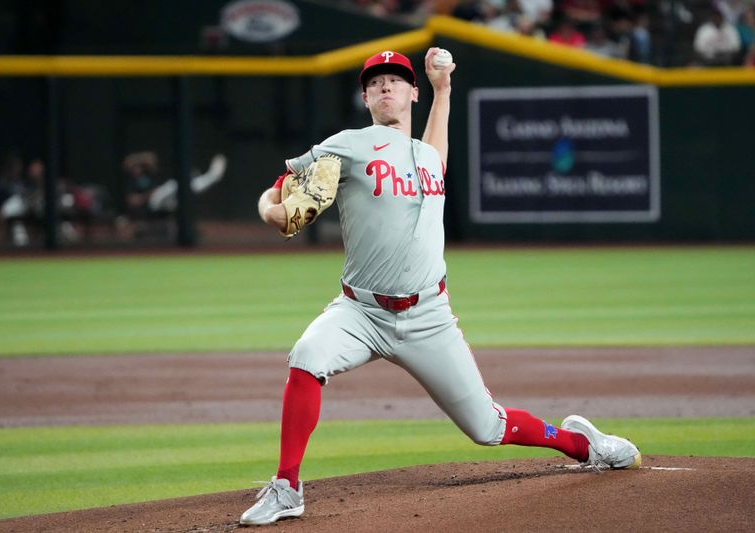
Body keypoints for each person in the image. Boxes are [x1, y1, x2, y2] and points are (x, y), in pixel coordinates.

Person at [240, 48, 642, 526]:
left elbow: (435, 150)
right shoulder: (347, 144)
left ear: (412, 92)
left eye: (395, 80)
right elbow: (283, 183)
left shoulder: (428, 157)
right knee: (307, 357)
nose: (385, 86)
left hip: (428, 315)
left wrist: (443, 89)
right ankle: (287, 487)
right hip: (360, 312)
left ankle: (582, 443)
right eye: (376, 82)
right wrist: (270, 207)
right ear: (365, 96)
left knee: (487, 427)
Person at [117, 151, 227, 238]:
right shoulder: (130, 182)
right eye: (135, 167)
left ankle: (206, 178)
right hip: (153, 203)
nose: (137, 169)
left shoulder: (147, 174)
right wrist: (147, 195)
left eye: (138, 166)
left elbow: (151, 157)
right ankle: (210, 177)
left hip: (165, 202)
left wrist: (138, 160)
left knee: (182, 188)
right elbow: (132, 201)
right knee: (176, 185)